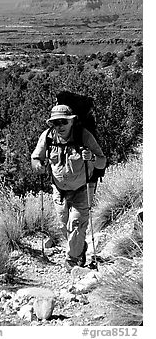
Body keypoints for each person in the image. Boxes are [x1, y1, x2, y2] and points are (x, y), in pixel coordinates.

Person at [31, 104, 106, 271]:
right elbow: (35, 157)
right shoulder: (48, 137)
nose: (59, 126)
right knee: (63, 226)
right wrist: (38, 165)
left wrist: (92, 157)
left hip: (83, 187)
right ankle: (80, 247)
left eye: (63, 122)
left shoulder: (84, 136)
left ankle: (73, 261)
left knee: (77, 223)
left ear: (71, 122)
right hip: (59, 189)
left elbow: (102, 161)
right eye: (56, 123)